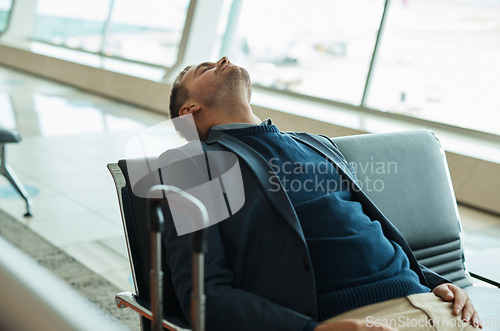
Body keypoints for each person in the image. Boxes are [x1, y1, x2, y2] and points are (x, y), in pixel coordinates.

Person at [162, 56, 481, 331]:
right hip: (345, 319)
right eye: (204, 69)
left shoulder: (317, 144)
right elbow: (204, 297)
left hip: (435, 304)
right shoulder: (192, 169)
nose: (223, 60)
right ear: (189, 110)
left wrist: (435, 281)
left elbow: (360, 232)